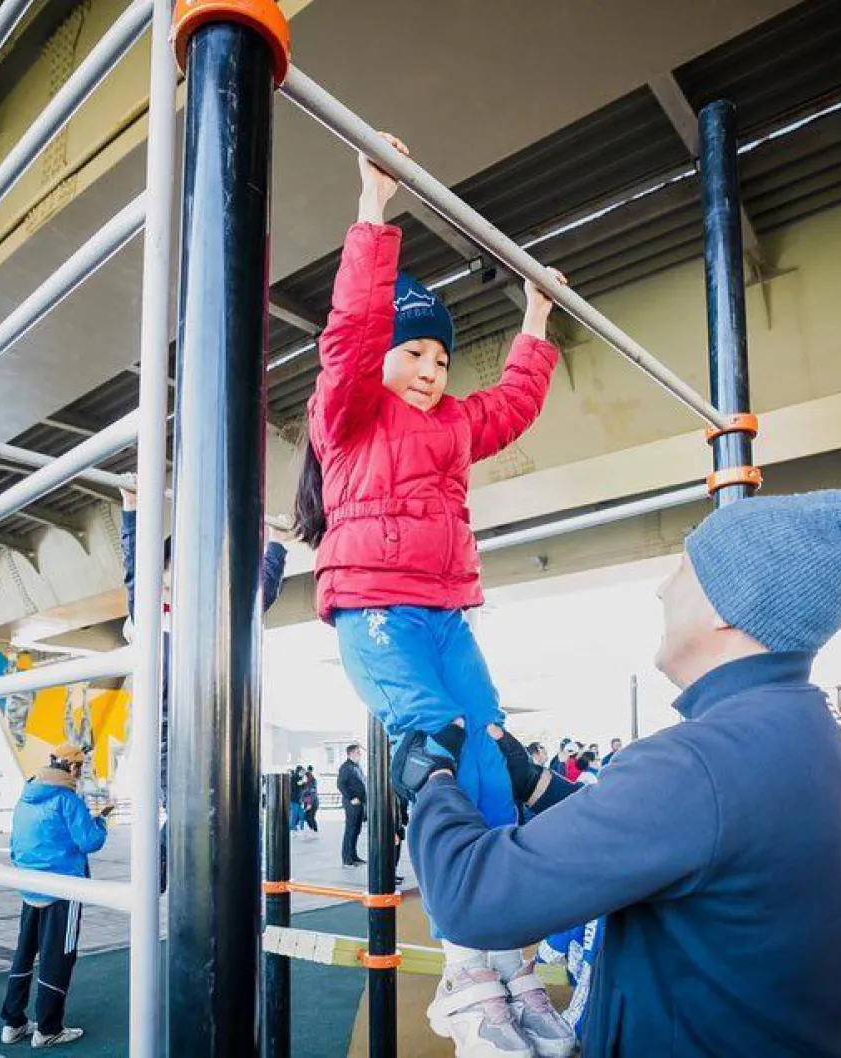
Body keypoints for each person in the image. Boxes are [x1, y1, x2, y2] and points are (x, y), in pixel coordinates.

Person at [399, 489, 841, 1055]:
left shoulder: (700, 761)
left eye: (683, 569)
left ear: (727, 606)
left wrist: (433, 786)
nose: (662, 588)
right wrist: (539, 786)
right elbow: (688, 836)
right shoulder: (810, 727)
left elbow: (471, 899)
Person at [292, 133, 571, 1057]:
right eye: (412, 352)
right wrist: (375, 214)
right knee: (436, 744)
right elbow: (349, 334)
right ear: (383, 362)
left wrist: (536, 318)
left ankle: (507, 957)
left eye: (441, 359)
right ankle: (463, 966)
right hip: (374, 606)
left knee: (492, 748)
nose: (428, 368)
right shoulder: (350, 417)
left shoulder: (453, 427)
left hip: (446, 612)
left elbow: (517, 405)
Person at [119, 483, 288, 891]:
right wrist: (134, 507)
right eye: (171, 568)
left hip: (218, 726)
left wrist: (277, 546)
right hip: (170, 725)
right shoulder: (150, 612)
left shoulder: (214, 616)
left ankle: (214, 882)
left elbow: (258, 593)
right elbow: (134, 565)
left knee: (224, 814)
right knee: (181, 811)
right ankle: (163, 873)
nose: (178, 577)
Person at [0, 742, 112, 1048]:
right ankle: (48, 1029)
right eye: (81, 767)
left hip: (29, 887)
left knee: (25, 953)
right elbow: (89, 841)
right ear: (72, 768)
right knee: (58, 958)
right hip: (64, 889)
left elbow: (14, 842)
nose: (81, 773)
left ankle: (13, 1023)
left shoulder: (26, 794)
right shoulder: (67, 799)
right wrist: (101, 820)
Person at [338, 744, 368, 867]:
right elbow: (341, 784)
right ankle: (347, 858)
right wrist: (351, 798)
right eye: (358, 753)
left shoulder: (357, 766)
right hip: (352, 803)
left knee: (356, 830)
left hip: (360, 802)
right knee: (350, 830)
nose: (360, 755)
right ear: (350, 754)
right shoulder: (346, 767)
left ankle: (354, 856)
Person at [302, 765, 320, 833]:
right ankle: (312, 829)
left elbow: (312, 793)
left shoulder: (312, 782)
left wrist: (309, 804)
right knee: (307, 817)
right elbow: (304, 794)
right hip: (308, 802)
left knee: (311, 817)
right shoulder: (305, 783)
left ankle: (315, 831)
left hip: (313, 803)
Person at [290, 765, 306, 831]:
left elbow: (301, 787)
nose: (303, 773)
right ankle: (293, 826)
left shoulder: (296, 777)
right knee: (295, 814)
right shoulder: (296, 778)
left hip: (296, 799)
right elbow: (300, 786)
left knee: (299, 814)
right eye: (302, 771)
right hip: (295, 799)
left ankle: (297, 826)